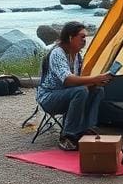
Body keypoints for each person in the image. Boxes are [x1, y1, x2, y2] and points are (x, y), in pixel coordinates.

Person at [37, 21, 113, 151]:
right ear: (71, 37)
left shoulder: (77, 55)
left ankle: (86, 129)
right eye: (82, 37)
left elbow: (76, 82)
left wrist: (95, 82)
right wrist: (95, 78)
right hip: (49, 97)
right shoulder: (58, 53)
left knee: (98, 90)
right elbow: (68, 80)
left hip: (66, 94)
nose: (84, 40)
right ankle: (67, 136)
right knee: (81, 91)